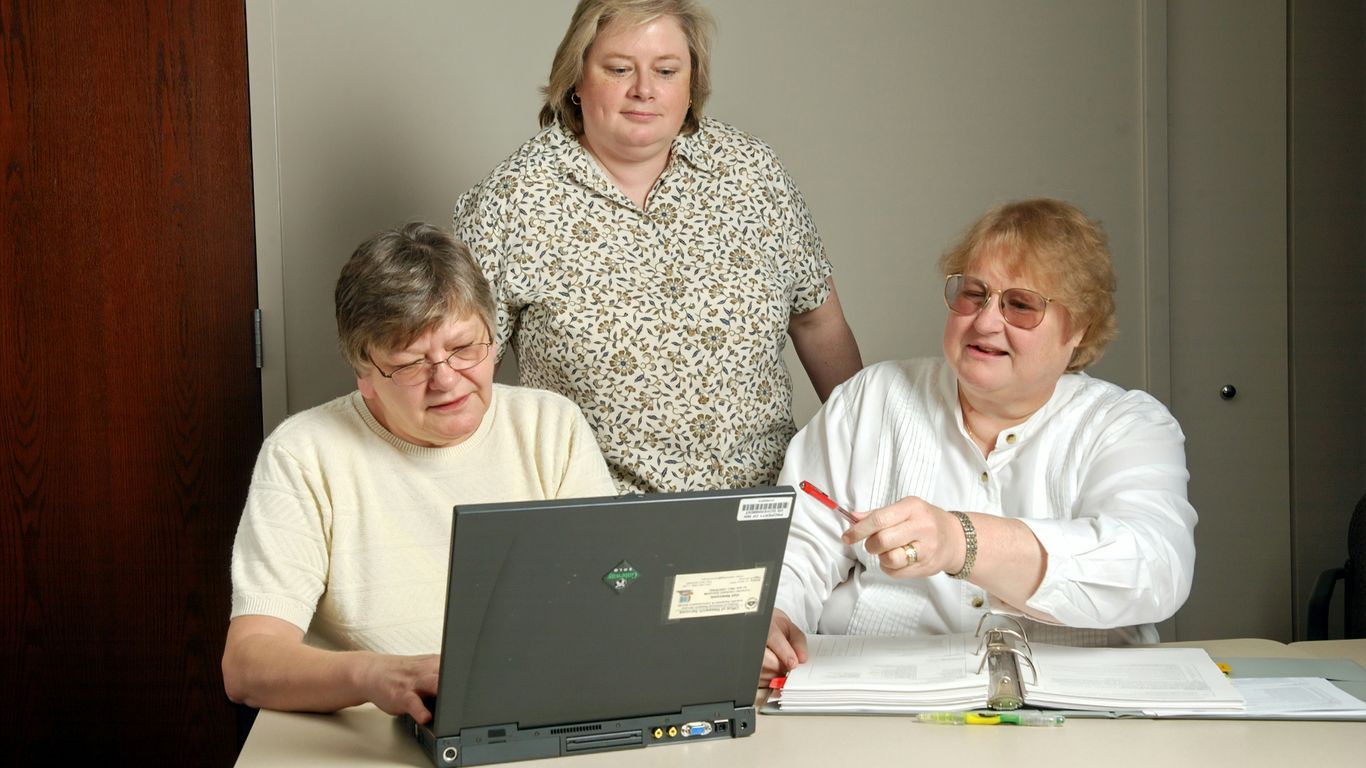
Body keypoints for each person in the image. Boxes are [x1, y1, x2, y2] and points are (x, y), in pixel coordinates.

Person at [763, 198, 1197, 682]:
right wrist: (772, 619)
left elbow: (1154, 567)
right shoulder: (872, 399)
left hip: (1074, 714)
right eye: (974, 294)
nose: (986, 321)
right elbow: (796, 546)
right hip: (882, 700)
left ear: (1079, 329)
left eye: (1021, 305)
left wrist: (962, 541)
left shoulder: (1127, 425)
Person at [454, 0, 862, 493]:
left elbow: (817, 320)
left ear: (692, 84)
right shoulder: (511, 200)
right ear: (576, 79)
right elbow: (459, 371)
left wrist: (866, 453)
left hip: (768, 506)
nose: (644, 90)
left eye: (666, 70)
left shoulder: (753, 173)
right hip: (597, 516)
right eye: (619, 69)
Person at [222, 223, 616, 723]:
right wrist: (375, 677)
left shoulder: (550, 426)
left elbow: (611, 602)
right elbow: (247, 663)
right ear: (364, 375)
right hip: (373, 729)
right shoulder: (303, 453)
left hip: (539, 713)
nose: (447, 379)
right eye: (411, 363)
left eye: (466, 347)